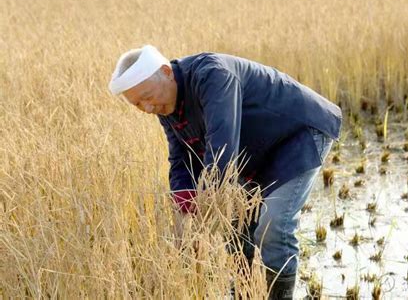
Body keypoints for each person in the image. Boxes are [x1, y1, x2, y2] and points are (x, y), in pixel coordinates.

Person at [108, 45, 342, 299]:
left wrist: (205, 215)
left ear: (166, 72)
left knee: (273, 225)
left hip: (296, 133)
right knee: (235, 225)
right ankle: (246, 293)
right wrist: (185, 211)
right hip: (256, 148)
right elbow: (180, 158)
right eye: (138, 104)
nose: (148, 108)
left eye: (147, 97)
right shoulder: (164, 104)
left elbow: (222, 149)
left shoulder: (213, 75)